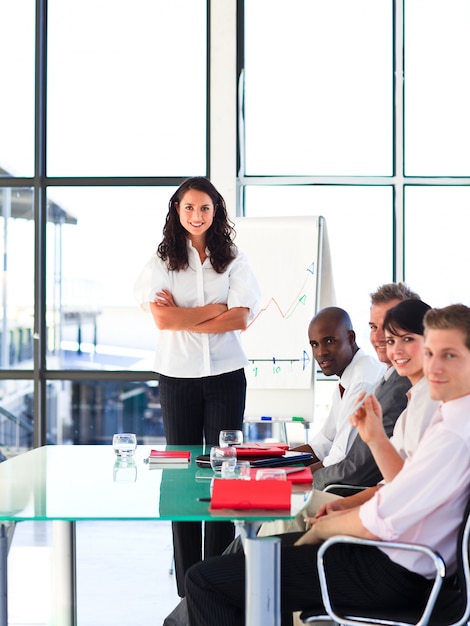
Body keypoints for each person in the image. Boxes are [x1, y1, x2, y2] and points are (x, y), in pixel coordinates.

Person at [184, 304, 470, 626]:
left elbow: (382, 520)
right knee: (258, 555)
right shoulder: (451, 416)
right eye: (431, 354)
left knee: (205, 581)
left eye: (449, 356)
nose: (434, 367)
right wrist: (374, 439)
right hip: (397, 558)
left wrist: (325, 529)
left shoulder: (452, 433)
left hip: (395, 569)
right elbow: (400, 487)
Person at [134, 176, 261, 598]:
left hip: (226, 375)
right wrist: (213, 312)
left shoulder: (233, 258)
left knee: (223, 471)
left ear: (215, 212)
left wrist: (188, 316)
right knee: (181, 475)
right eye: (188, 207)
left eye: (204, 208)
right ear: (177, 210)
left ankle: (217, 578)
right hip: (177, 377)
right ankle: (188, 584)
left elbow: (241, 319)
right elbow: (162, 321)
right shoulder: (162, 260)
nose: (196, 215)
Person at [295, 306, 385, 470]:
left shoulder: (362, 380)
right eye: (314, 344)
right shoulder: (346, 379)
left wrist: (285, 475)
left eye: (329, 341)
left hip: (350, 485)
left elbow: (340, 456)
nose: (321, 352)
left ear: (350, 338)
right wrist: (272, 462)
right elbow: (324, 443)